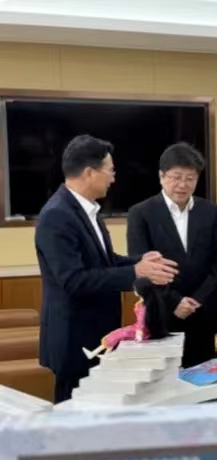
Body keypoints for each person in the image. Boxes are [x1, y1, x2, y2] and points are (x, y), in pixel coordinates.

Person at [34, 134, 178, 403]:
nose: (113, 178)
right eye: (110, 171)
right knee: (75, 417)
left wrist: (140, 261)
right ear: (90, 172)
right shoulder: (57, 215)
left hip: (96, 333)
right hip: (74, 339)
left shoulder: (87, 210)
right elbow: (74, 280)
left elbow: (104, 261)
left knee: (97, 414)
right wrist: (136, 272)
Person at [127, 142, 217, 368]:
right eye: (176, 177)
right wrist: (175, 301)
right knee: (165, 383)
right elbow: (142, 270)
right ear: (161, 177)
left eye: (190, 178)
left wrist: (197, 300)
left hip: (203, 314)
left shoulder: (211, 212)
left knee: (204, 380)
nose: (183, 185)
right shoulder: (141, 213)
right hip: (162, 315)